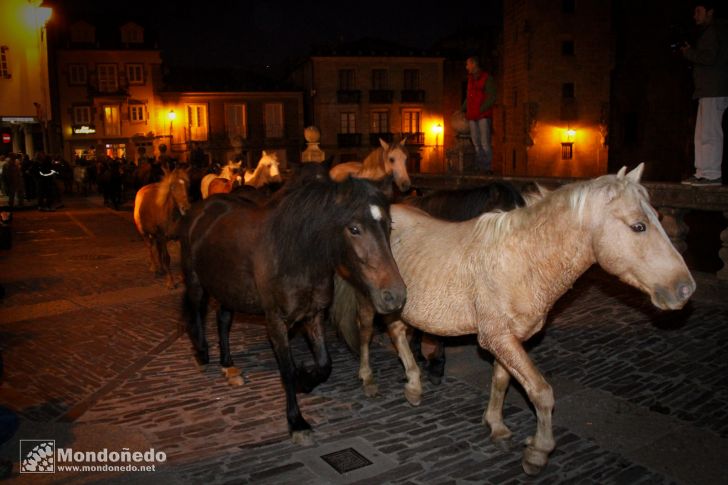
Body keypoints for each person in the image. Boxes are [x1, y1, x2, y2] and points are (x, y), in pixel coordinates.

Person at [680, 2, 728, 186]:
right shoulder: (713, 31)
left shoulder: (715, 31)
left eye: (698, 11)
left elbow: (709, 57)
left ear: (710, 12)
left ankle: (711, 174)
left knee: (710, 132)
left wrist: (689, 52)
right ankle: (702, 172)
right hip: (707, 89)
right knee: (701, 133)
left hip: (713, 89)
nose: (695, 15)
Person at [462, 56, 496, 173]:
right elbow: (469, 96)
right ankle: (480, 166)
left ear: (474, 64)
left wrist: (481, 109)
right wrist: (463, 108)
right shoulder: (470, 79)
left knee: (484, 142)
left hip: (482, 115)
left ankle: (486, 168)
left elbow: (492, 97)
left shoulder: (487, 78)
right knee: (476, 142)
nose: (466, 67)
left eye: (468, 64)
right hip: (472, 115)